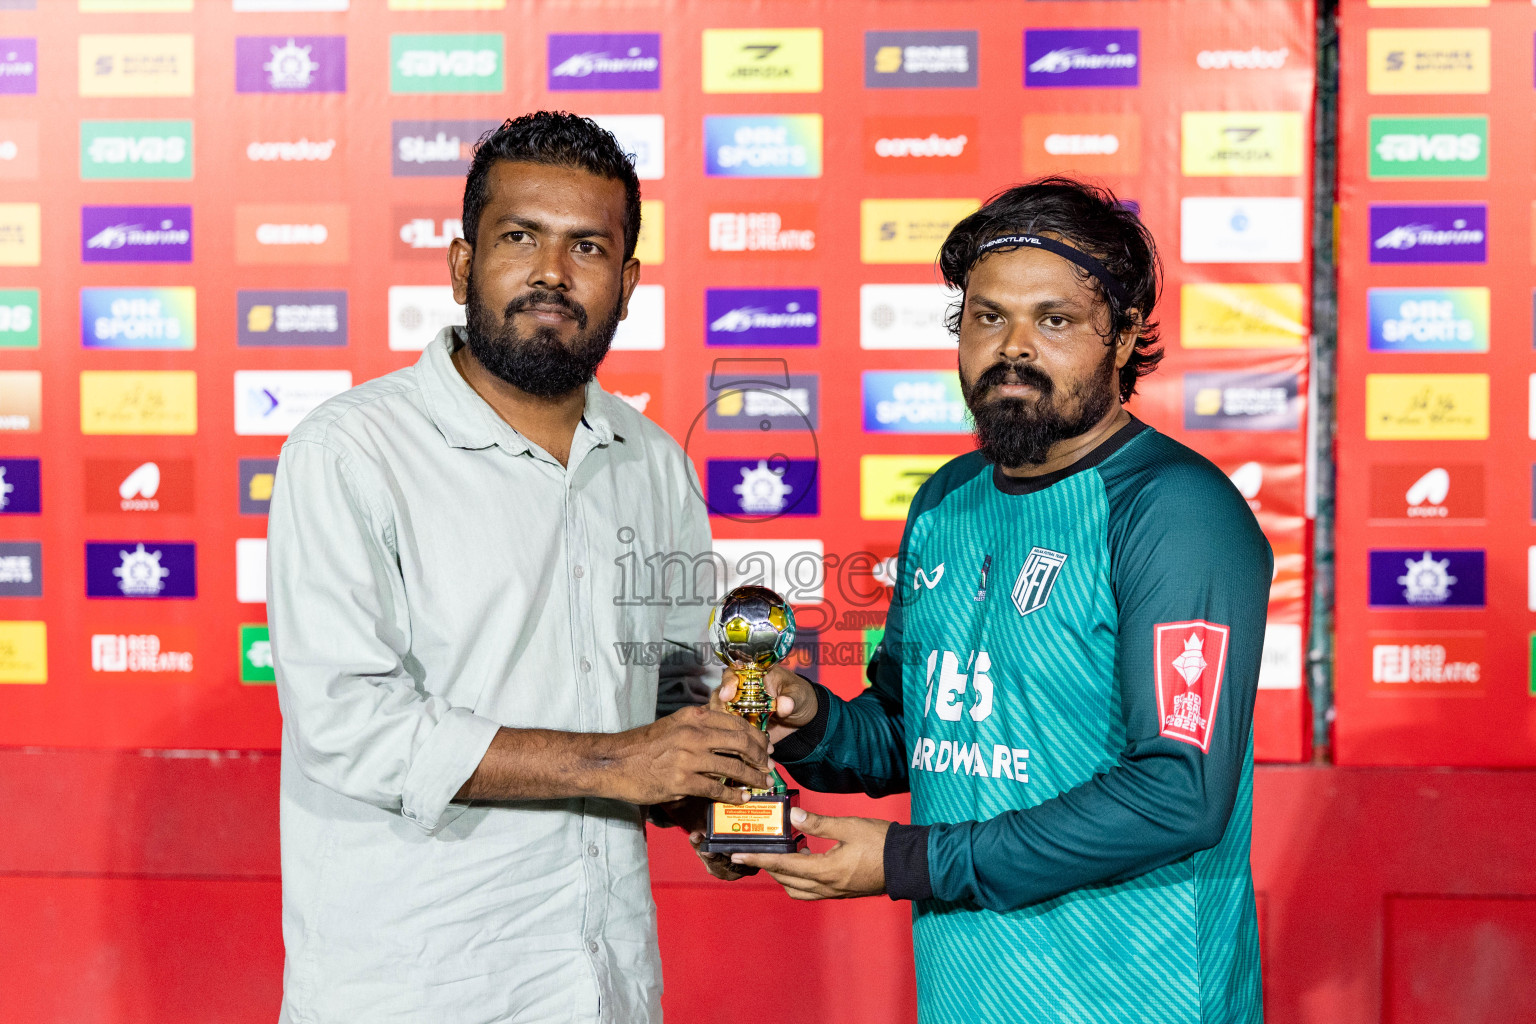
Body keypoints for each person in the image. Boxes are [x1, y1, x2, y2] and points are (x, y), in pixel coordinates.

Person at [722, 178, 1272, 1023]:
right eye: (988, 317)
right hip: (966, 992)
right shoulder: (947, 499)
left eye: (1054, 320)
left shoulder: (1175, 510)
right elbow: (921, 736)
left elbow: (1178, 793)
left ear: (1124, 338)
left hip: (1141, 997)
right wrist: (811, 722)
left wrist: (913, 863)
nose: (1013, 347)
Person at [267, 111, 767, 1024]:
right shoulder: (351, 450)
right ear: (463, 266)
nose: (551, 273)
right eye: (519, 238)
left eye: (587, 248)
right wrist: (622, 762)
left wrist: (717, 802)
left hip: (604, 984)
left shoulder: (651, 459)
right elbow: (347, 722)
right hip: (415, 988)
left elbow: (672, 691)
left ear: (627, 281)